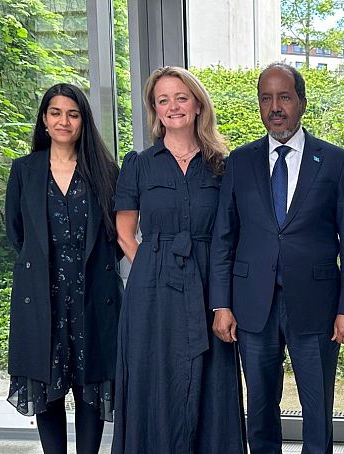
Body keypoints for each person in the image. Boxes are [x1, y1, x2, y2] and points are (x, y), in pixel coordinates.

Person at [210, 62, 344, 454]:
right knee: (259, 407)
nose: (275, 106)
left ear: (302, 102)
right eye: (266, 98)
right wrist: (221, 305)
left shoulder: (333, 161)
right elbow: (224, 238)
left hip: (316, 305)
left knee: (318, 408)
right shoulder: (240, 162)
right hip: (252, 305)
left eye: (284, 97)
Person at [111, 66, 245, 453]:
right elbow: (124, 232)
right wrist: (155, 267)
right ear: (155, 109)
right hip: (152, 290)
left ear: (198, 104)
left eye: (181, 97)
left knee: (212, 379)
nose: (173, 106)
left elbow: (232, 233)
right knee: (155, 376)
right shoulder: (139, 163)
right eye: (163, 100)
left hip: (209, 283)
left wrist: (224, 295)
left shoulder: (223, 164)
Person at [5, 83, 122, 454]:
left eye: (72, 114)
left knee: (90, 389)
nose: (63, 121)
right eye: (55, 113)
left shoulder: (105, 171)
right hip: (43, 296)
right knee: (47, 387)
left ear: (83, 121)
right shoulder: (25, 170)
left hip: (92, 295)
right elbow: (17, 232)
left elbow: (114, 237)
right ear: (44, 119)